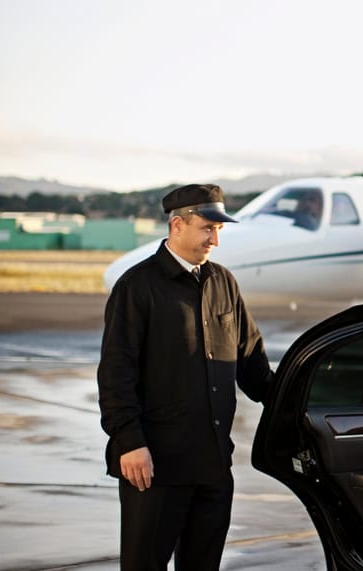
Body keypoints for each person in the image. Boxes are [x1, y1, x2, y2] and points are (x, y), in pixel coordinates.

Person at [97, 183, 274, 570]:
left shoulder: (224, 283)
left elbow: (252, 363)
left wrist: (301, 399)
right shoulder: (137, 286)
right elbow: (115, 372)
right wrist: (129, 442)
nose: (215, 239)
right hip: (156, 467)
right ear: (177, 225)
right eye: (207, 229)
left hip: (212, 465)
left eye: (219, 231)